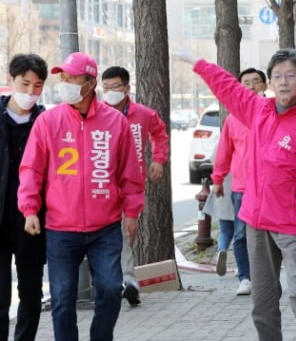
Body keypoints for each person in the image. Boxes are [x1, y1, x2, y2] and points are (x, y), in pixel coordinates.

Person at [178, 49, 296, 341]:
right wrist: (199, 64)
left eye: (291, 76)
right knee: (262, 301)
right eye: (277, 76)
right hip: (256, 221)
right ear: (269, 82)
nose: (283, 82)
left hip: (293, 225)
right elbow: (228, 86)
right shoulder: (257, 111)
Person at [17, 52, 145, 340]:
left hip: (106, 226)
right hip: (61, 229)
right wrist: (29, 209)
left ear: (90, 83)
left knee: (112, 289)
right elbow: (31, 169)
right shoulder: (48, 122)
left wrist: (133, 213)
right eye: (63, 78)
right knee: (62, 299)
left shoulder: (115, 123)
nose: (65, 83)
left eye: (72, 78)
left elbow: (130, 174)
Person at [101, 66, 169, 306]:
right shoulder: (97, 114)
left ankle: (127, 282)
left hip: (132, 184)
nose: (110, 92)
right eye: (106, 87)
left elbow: (160, 134)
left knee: (126, 232)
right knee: (113, 234)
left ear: (127, 88)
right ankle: (124, 282)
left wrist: (158, 160)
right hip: (101, 183)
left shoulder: (143, 114)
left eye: (115, 87)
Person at [0, 54, 47, 341]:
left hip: (33, 221)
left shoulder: (47, 121)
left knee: (31, 295)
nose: (30, 92)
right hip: (1, 218)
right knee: (0, 298)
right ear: (11, 81)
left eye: (37, 86)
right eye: (25, 83)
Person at [211, 67, 267, 296]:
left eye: (256, 81)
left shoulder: (273, 113)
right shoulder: (233, 120)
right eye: (246, 82)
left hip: (271, 186)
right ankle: (245, 277)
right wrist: (217, 179)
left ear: (265, 85)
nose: (251, 86)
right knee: (241, 233)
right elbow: (224, 152)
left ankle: (267, 276)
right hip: (242, 188)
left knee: (271, 235)